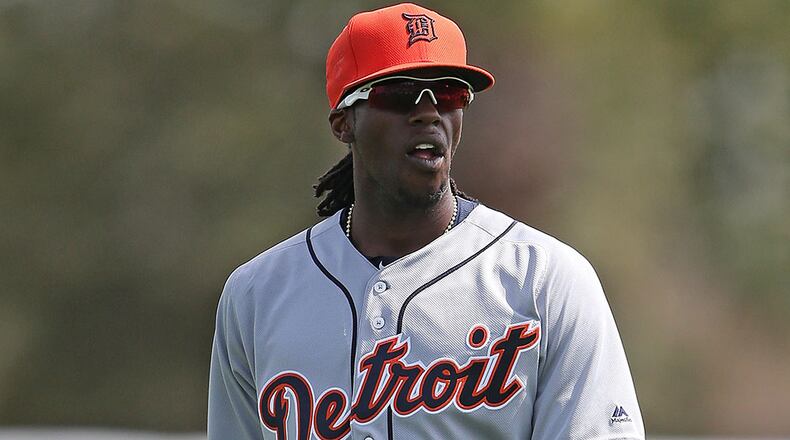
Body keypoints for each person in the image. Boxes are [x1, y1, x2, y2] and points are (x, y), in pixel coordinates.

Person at [208, 3, 645, 439]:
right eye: (399, 93)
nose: (428, 112)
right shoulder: (256, 295)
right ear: (344, 123)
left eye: (450, 93)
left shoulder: (545, 280)